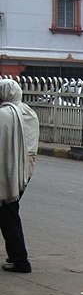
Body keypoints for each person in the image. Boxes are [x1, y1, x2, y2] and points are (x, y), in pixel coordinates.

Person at [0, 79, 39, 274]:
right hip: (25, 172)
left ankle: (20, 260)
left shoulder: (5, 115)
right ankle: (16, 256)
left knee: (8, 214)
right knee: (8, 213)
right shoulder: (28, 112)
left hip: (8, 171)